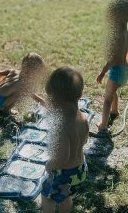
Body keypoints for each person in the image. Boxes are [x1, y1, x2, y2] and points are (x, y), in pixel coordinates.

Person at [40, 67, 88, 213]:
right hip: (79, 170)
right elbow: (84, 140)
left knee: (47, 196)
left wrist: (50, 165)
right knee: (66, 196)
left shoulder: (62, 126)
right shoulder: (83, 117)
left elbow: (63, 157)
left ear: (57, 100)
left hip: (64, 173)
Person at [96, 0, 128, 133]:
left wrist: (103, 72)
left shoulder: (116, 36)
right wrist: (125, 65)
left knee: (107, 98)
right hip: (124, 70)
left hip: (116, 71)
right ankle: (115, 111)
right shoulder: (126, 34)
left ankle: (103, 124)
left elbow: (113, 59)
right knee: (113, 91)